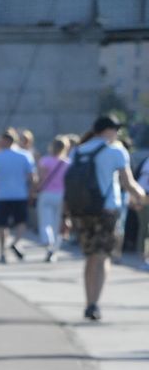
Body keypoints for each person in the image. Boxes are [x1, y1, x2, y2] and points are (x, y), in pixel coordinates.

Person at [66, 115, 149, 322]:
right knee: (103, 257)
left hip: (83, 210)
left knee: (90, 257)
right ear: (109, 130)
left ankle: (88, 300)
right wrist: (141, 196)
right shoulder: (116, 151)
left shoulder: (78, 150)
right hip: (107, 210)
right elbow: (128, 182)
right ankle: (94, 303)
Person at [0, 128, 35, 263]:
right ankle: (15, 242)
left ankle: (2, 252)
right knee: (21, 222)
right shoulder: (25, 155)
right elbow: (32, 177)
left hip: (1, 195)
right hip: (19, 194)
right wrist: (31, 192)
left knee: (1, 225)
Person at [31, 135, 70, 263]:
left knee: (45, 221)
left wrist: (34, 189)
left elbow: (40, 179)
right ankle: (54, 249)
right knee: (57, 222)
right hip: (62, 195)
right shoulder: (68, 163)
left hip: (46, 193)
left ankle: (48, 242)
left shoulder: (45, 161)